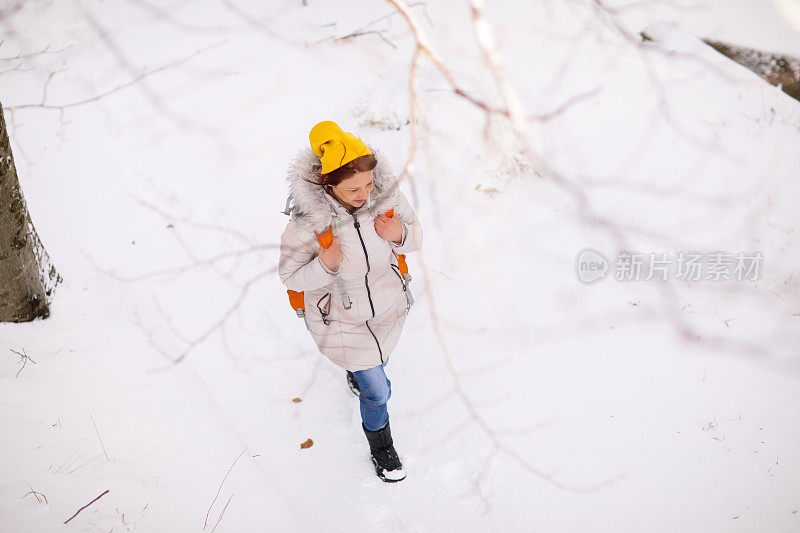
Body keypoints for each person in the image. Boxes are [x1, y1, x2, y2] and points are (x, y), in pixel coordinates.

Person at [278, 121, 423, 482]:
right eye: (354, 188)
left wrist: (400, 234)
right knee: (379, 391)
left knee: (379, 359)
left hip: (388, 307)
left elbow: (416, 236)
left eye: (369, 184)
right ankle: (381, 447)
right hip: (341, 320)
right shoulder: (308, 225)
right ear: (329, 185)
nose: (365, 194)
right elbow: (291, 277)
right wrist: (326, 265)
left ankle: (358, 372)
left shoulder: (386, 200)